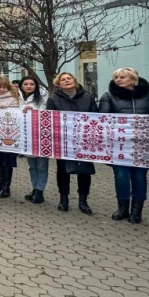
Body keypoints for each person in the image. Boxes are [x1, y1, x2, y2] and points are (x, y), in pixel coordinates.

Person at [98, 67, 149, 224]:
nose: (118, 80)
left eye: (122, 77)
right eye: (116, 77)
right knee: (121, 177)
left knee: (140, 177)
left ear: (133, 80)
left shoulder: (148, 96)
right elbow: (103, 119)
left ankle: (137, 211)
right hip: (119, 145)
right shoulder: (108, 96)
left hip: (143, 144)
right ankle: (122, 208)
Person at [46, 72, 98, 214]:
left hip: (84, 140)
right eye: (63, 80)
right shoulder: (54, 99)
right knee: (63, 170)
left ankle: (83, 200)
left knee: (84, 171)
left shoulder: (88, 97)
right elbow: (50, 119)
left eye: (69, 78)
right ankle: (64, 199)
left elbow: (96, 116)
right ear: (59, 84)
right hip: (63, 140)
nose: (67, 81)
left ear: (74, 81)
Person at [0, 75, 21, 198]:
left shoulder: (13, 99)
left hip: (9, 135)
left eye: (3, 87)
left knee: (7, 161)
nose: (1, 89)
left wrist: (7, 109)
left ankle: (6, 187)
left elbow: (16, 116)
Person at [19, 77, 49, 204]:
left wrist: (34, 111)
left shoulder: (42, 96)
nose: (29, 86)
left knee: (42, 165)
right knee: (32, 165)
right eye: (26, 84)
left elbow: (46, 111)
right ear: (21, 86)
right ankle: (34, 187)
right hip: (26, 134)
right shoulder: (17, 97)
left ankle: (40, 190)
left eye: (32, 84)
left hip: (41, 133)